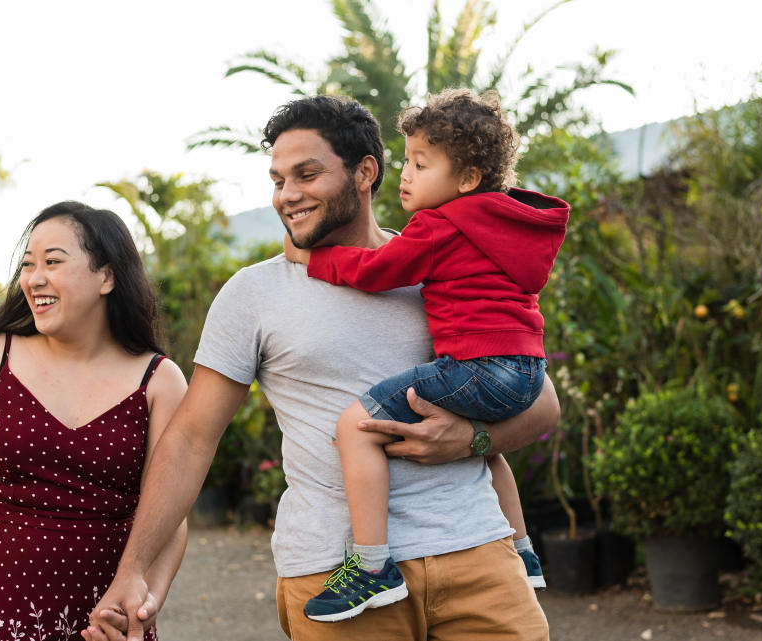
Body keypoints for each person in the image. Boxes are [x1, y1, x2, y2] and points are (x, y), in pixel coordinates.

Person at [87, 95, 559, 641]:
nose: (287, 195)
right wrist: (132, 571)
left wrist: (468, 440)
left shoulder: (444, 267)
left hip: (478, 553)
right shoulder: (253, 294)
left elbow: (541, 401)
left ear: (365, 172)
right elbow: (192, 439)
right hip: (331, 572)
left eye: (307, 175)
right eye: (278, 179)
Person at [281, 88, 568, 619]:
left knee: (356, 426)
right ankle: (523, 552)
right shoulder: (505, 224)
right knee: (489, 451)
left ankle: (371, 568)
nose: (405, 174)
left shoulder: (440, 225)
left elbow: (378, 271)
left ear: (466, 179)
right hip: (524, 368)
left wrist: (313, 258)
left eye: (420, 163)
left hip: (478, 364)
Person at [0, 202, 189, 641]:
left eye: (53, 262)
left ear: (106, 277)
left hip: (103, 625)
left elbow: (170, 513)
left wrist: (146, 604)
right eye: (28, 265)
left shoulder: (160, 381)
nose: (35, 278)